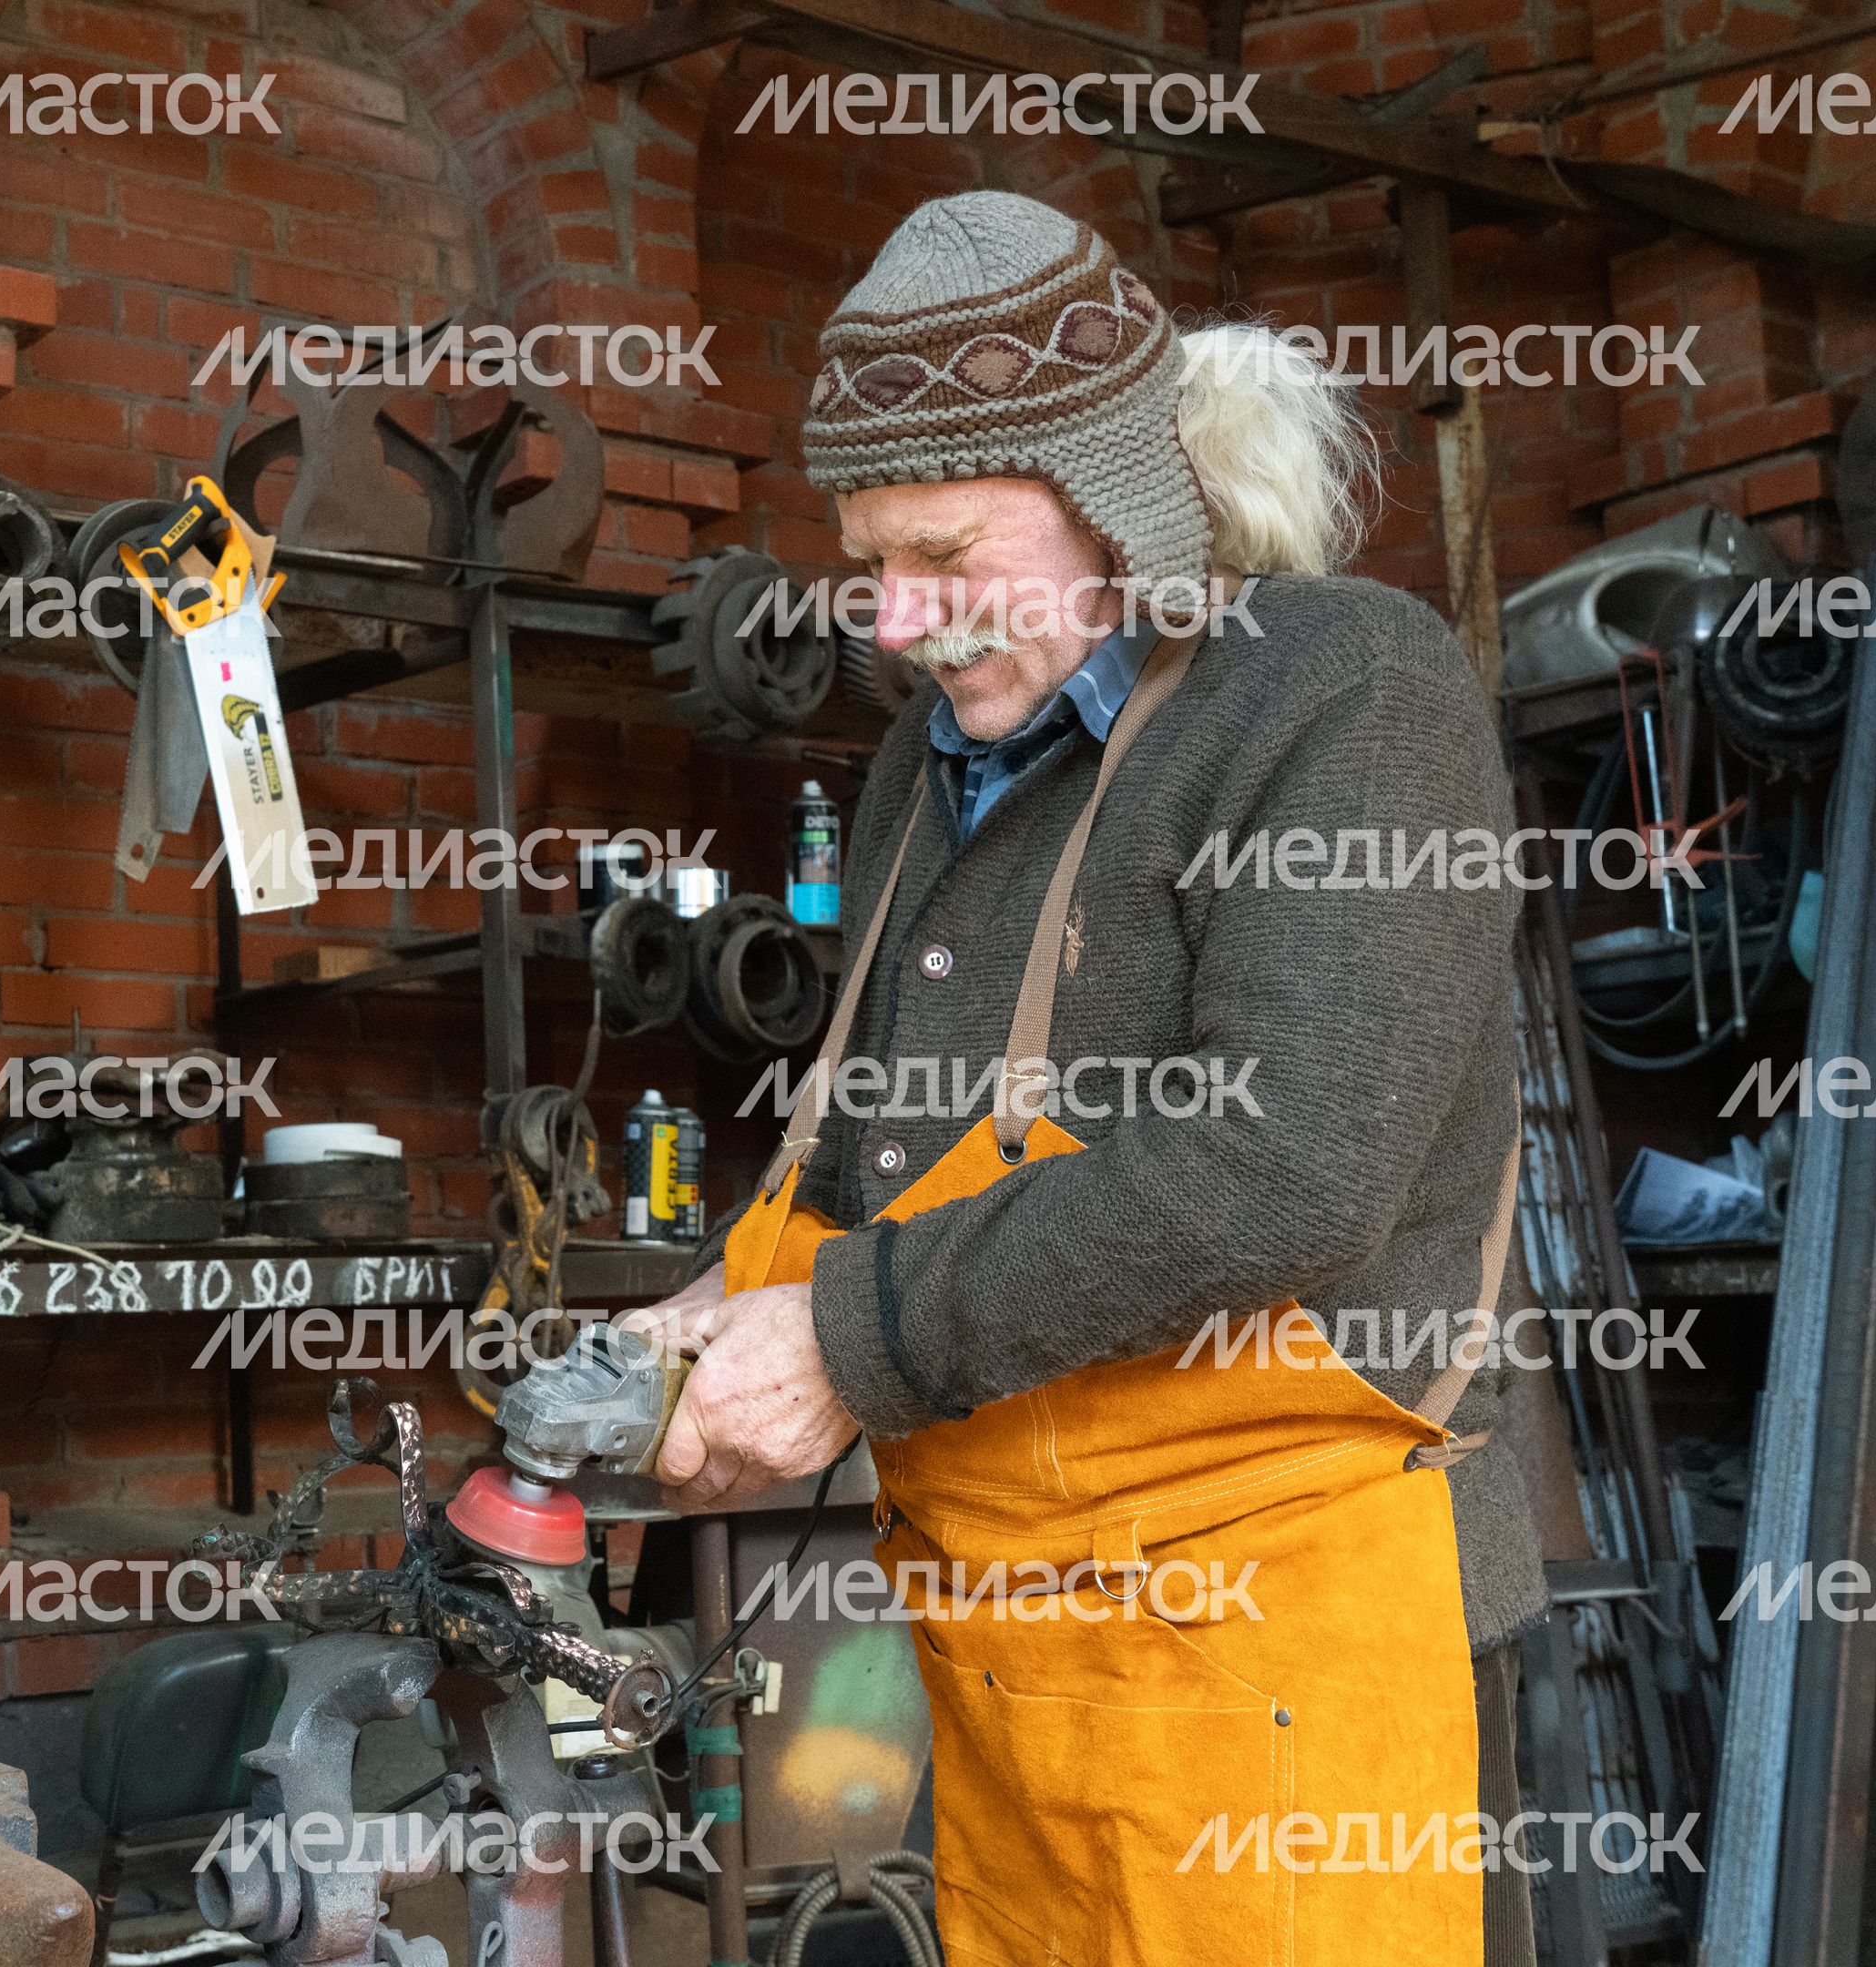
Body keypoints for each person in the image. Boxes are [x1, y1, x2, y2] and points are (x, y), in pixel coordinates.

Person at [626, 190, 1545, 1966]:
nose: (898, 624)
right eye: (868, 563)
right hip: (1008, 1666)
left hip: (1269, 1665)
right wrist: (707, 1319)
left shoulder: (1344, 690)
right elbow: (875, 1150)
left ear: (1120, 499)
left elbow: (1283, 1161)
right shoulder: (922, 764)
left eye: (948, 559)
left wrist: (835, 1344)